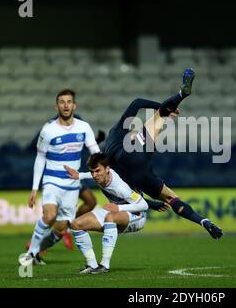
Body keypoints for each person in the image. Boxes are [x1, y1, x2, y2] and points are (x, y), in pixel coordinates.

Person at [68, 68, 223, 239]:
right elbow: (137, 102)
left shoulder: (110, 150)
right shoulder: (121, 133)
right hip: (135, 159)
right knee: (159, 117)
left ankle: (204, 222)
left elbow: (132, 198)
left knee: (169, 198)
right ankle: (181, 94)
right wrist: (160, 108)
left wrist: (152, 205)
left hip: (132, 175)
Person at [19, 89, 101, 266]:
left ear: (74, 105)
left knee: (62, 228)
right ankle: (31, 253)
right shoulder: (48, 130)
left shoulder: (84, 127)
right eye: (62, 102)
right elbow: (40, 158)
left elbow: (95, 152)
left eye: (69, 101)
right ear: (56, 106)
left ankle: (37, 251)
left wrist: (102, 165)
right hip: (52, 180)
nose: (65, 105)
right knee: (49, 216)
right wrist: (34, 188)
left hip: (72, 184)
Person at [24, 120, 105, 252]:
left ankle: (69, 225)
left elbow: (80, 144)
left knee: (91, 201)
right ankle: (37, 246)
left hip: (72, 177)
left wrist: (96, 140)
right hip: (57, 178)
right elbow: (41, 152)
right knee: (52, 216)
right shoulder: (50, 129)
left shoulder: (78, 128)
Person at [67, 152, 154, 274]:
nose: (95, 175)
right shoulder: (101, 174)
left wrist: (118, 208)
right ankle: (92, 265)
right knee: (76, 225)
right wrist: (80, 175)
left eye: (97, 171)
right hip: (116, 211)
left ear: (108, 169)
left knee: (110, 216)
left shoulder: (119, 187)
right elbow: (94, 172)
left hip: (137, 216)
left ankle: (104, 265)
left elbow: (144, 205)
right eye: (92, 172)